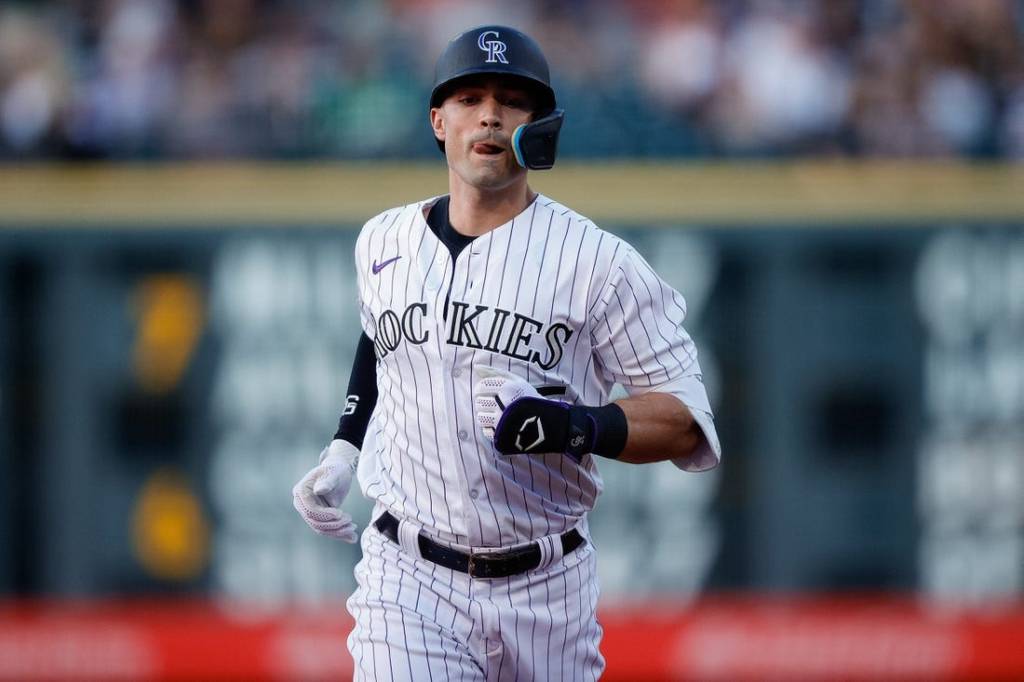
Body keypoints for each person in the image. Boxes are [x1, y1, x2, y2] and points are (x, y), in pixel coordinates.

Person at [293, 24, 721, 681]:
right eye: (469, 99)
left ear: (540, 124)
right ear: (439, 121)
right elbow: (381, 333)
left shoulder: (596, 264)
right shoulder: (384, 241)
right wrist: (345, 444)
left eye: (511, 99)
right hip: (408, 581)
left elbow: (685, 418)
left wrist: (576, 426)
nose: (489, 113)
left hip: (547, 588)